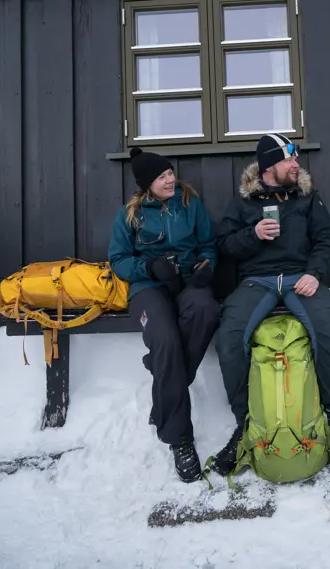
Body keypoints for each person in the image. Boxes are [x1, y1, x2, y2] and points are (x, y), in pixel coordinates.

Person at [209, 133, 330, 477]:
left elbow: (325, 239)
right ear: (269, 167)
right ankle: (246, 425)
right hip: (257, 280)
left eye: (295, 159)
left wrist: (314, 273)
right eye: (289, 160)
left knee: (329, 337)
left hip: (300, 278)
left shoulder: (307, 198)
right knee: (229, 339)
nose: (296, 165)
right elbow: (224, 244)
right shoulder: (243, 203)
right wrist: (253, 235)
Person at [108, 147, 220, 483]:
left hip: (187, 283)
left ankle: (164, 378)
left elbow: (209, 246)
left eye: (170, 173)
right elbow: (118, 260)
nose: (170, 179)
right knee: (166, 341)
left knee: (206, 309)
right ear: (147, 184)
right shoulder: (130, 215)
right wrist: (150, 266)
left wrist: (206, 268)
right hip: (148, 288)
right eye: (162, 177)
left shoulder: (190, 205)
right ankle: (179, 438)